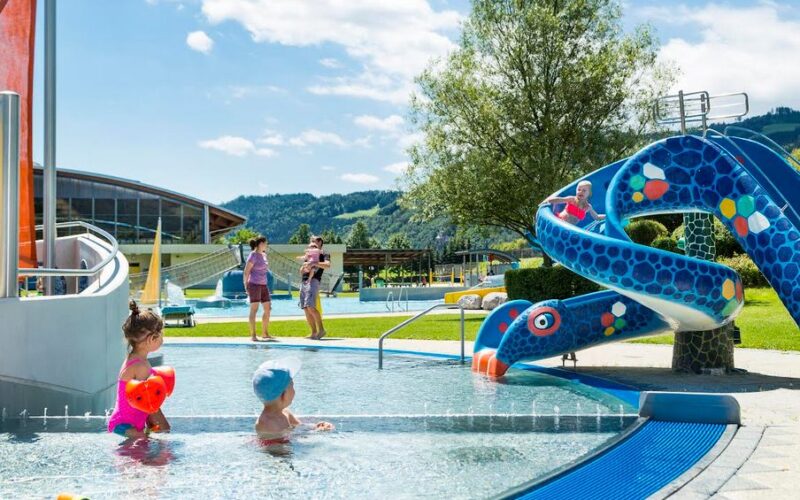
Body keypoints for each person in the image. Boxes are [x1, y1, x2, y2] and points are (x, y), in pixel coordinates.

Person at [107, 300, 170, 439]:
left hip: (129, 422)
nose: (162, 337)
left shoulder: (136, 359)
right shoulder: (140, 366)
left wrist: (153, 427)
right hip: (125, 425)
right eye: (160, 333)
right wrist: (162, 427)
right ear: (150, 338)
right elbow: (149, 403)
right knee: (143, 449)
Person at [252, 358, 334, 444]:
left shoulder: (286, 413)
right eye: (292, 386)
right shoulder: (267, 422)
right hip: (276, 454)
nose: (294, 391)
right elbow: (284, 441)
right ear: (283, 394)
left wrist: (315, 427)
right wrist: (314, 433)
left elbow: (300, 427)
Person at [299, 235, 330, 340]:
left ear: (320, 242)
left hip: (314, 281)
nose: (311, 243)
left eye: (314, 241)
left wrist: (315, 263)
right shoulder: (309, 253)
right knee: (306, 308)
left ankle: (321, 330)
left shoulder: (323, 254)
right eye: (311, 241)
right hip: (304, 281)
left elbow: (327, 265)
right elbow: (302, 269)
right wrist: (304, 268)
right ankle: (313, 332)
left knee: (311, 307)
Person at [243, 236, 274, 341]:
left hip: (264, 285)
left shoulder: (264, 255)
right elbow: (246, 272)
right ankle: (253, 335)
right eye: (266, 243)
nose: (266, 245)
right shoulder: (253, 255)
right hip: (254, 284)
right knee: (254, 310)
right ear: (261, 244)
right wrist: (245, 285)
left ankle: (265, 333)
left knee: (268, 309)